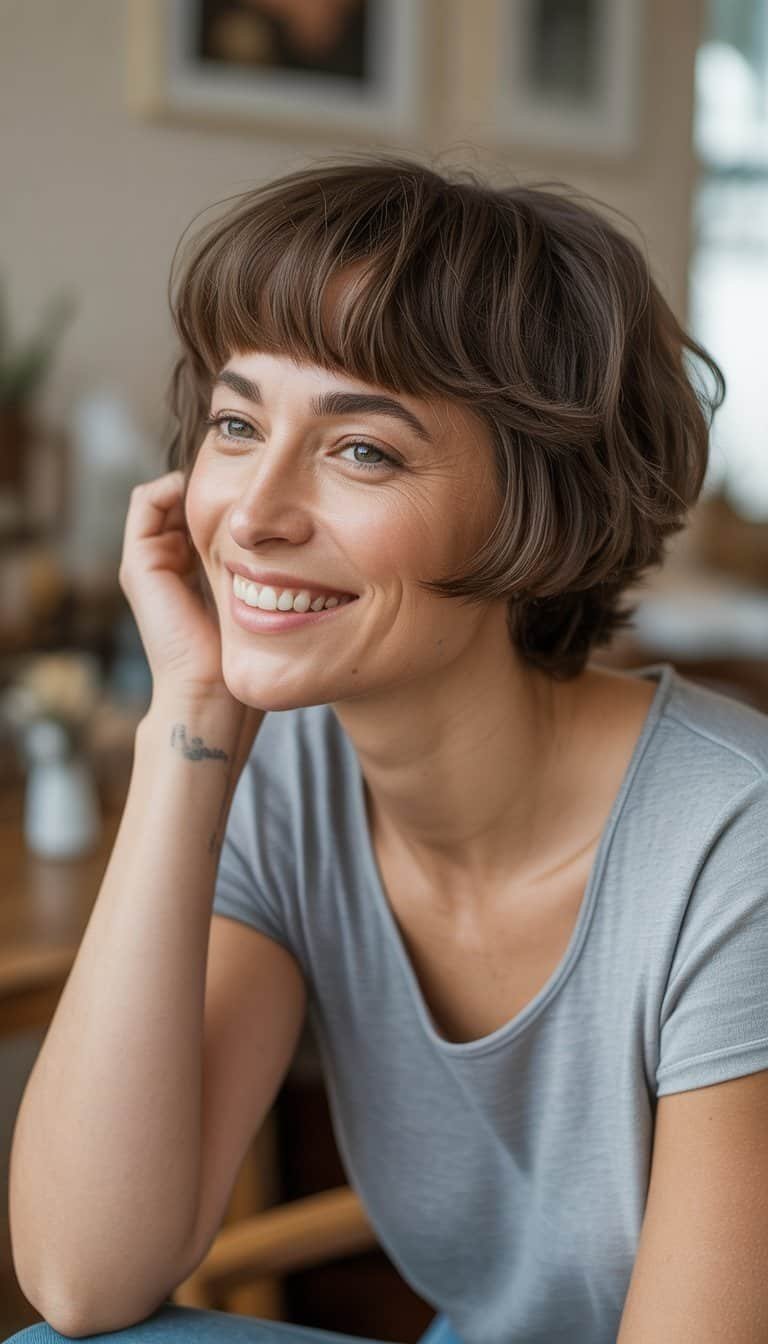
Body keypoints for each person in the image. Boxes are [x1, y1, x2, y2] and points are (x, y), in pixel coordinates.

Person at [9, 155, 768, 1344]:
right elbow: (81, 1275)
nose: (254, 514)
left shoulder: (734, 847)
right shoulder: (284, 777)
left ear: (541, 511)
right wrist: (188, 726)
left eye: (362, 449)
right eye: (235, 422)